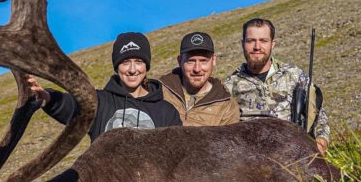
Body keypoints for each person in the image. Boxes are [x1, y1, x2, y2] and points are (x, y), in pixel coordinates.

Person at [27, 32, 182, 142]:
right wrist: (47, 97)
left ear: (146, 66)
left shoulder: (166, 112)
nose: (132, 69)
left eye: (139, 62)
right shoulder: (100, 102)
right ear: (116, 67)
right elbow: (70, 105)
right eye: (125, 62)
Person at [223, 18, 330, 155]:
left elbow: (319, 118)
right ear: (242, 44)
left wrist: (320, 143)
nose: (257, 47)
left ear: (272, 44)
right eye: (251, 41)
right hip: (248, 158)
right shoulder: (229, 85)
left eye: (263, 41)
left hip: (291, 153)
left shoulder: (294, 75)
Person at [159, 32, 239, 126]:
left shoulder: (227, 107)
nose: (197, 69)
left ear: (213, 60)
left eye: (203, 61)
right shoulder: (159, 91)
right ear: (180, 61)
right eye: (191, 61)